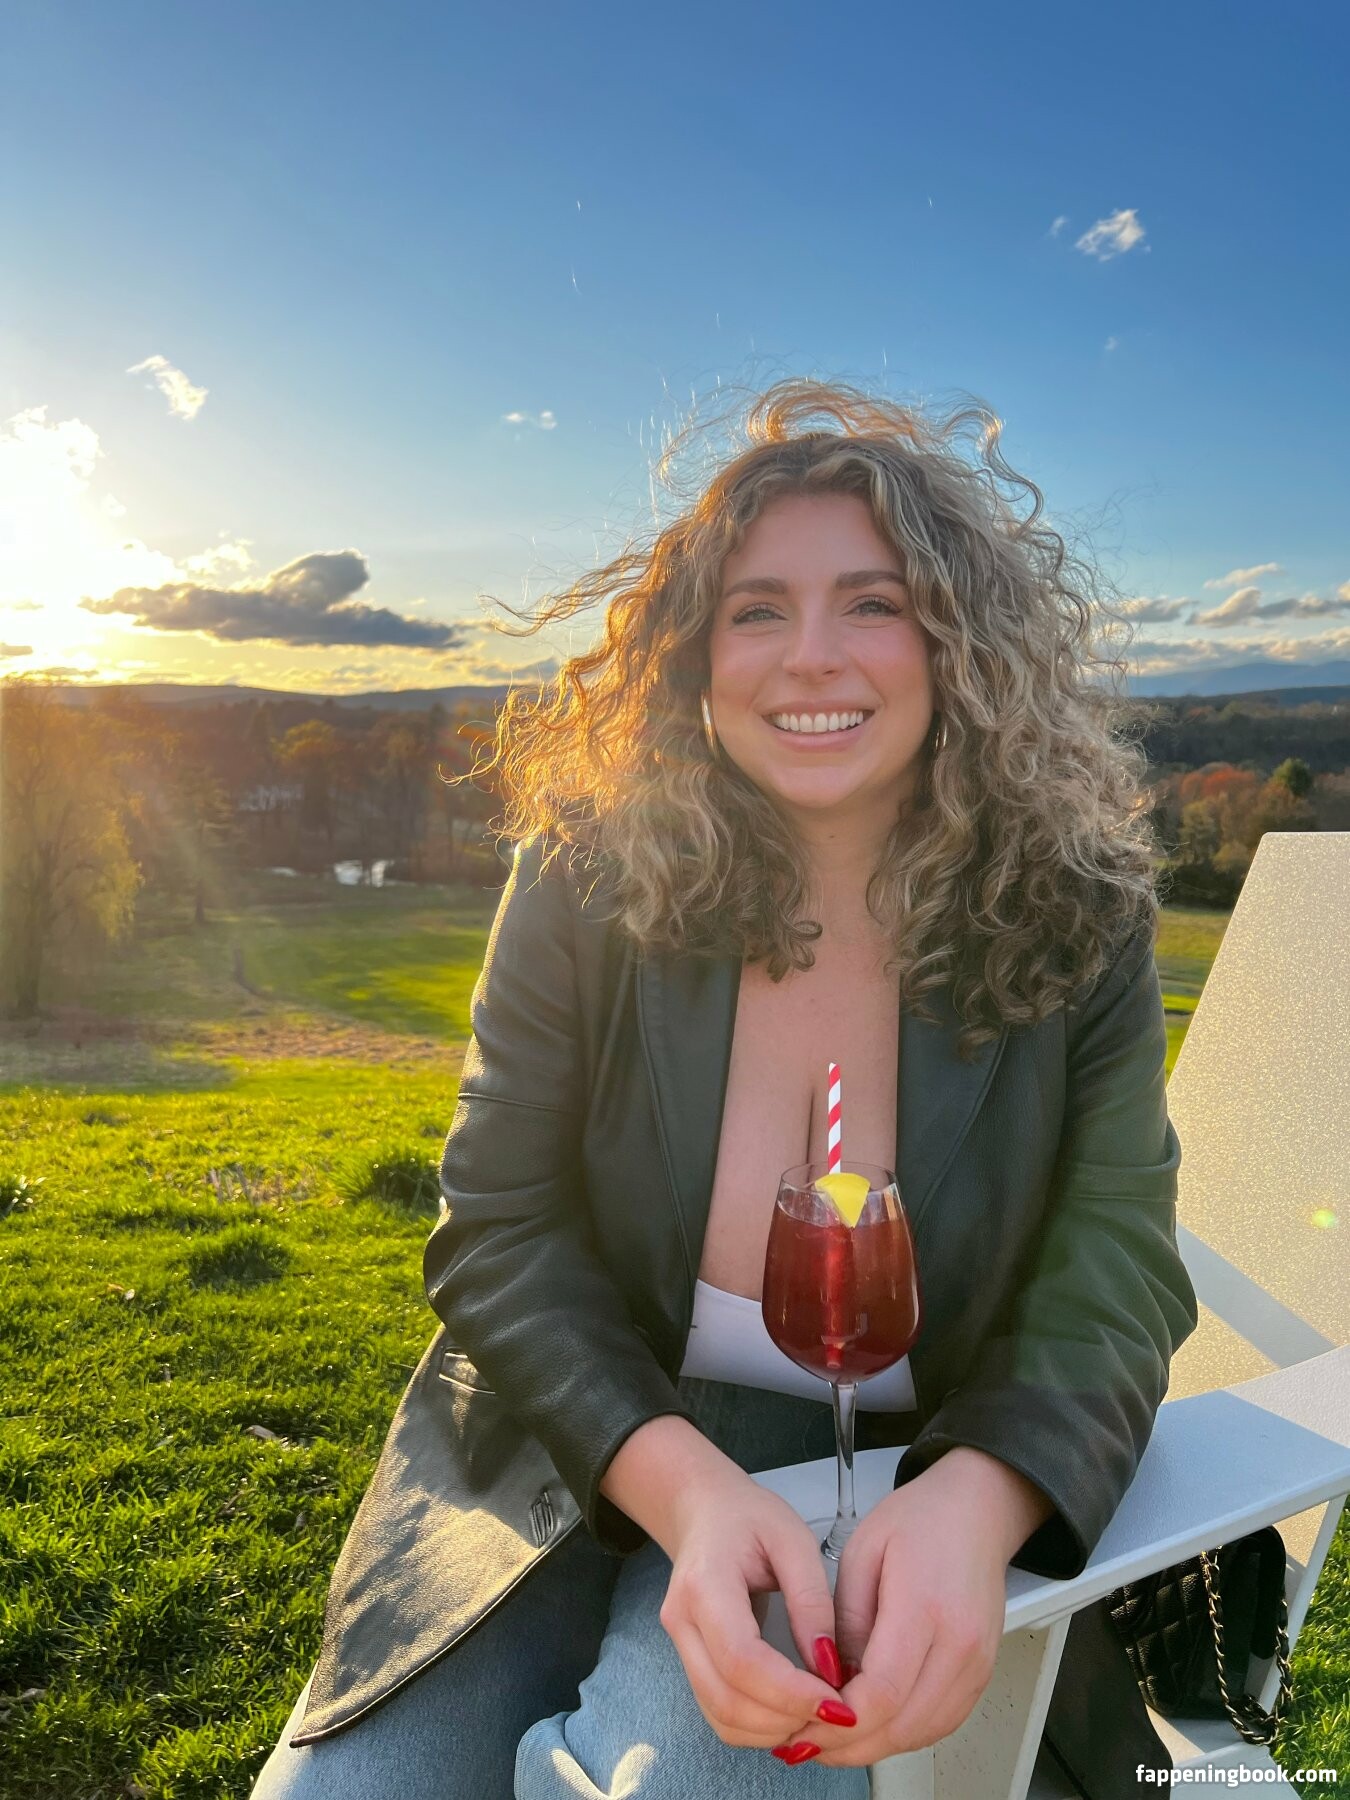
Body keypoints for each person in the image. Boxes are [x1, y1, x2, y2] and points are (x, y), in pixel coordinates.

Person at [250, 378, 1199, 1800]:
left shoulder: (1079, 914)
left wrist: (976, 1496)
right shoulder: (584, 879)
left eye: (872, 603)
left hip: (887, 1472)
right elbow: (497, 1228)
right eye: (757, 610)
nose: (809, 657)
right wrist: (683, 1489)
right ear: (694, 651)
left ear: (960, 641)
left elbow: (1116, 1260)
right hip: (572, 1427)